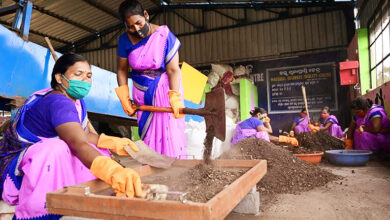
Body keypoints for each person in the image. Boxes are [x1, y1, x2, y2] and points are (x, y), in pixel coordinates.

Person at [0, 54, 142, 220]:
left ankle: (77, 194)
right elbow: (77, 142)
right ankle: (39, 211)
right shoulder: (57, 102)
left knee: (99, 150)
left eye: (88, 76)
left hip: (37, 164)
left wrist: (110, 141)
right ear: (59, 78)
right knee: (57, 149)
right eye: (78, 74)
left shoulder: (76, 102)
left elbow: (82, 134)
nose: (85, 80)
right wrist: (113, 170)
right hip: (17, 170)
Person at [115, 0, 186, 158]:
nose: (136, 29)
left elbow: (173, 70)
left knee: (169, 131)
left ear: (146, 15)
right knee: (147, 133)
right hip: (141, 94)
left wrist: (174, 96)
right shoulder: (124, 40)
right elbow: (121, 69)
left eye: (139, 23)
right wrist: (124, 96)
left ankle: (172, 167)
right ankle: (150, 168)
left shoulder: (164, 36)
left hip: (164, 93)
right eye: (130, 26)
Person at [231, 108, 298, 146]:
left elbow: (269, 132)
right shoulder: (257, 120)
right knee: (263, 134)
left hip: (238, 143)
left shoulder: (251, 120)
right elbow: (268, 133)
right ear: (259, 115)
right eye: (265, 116)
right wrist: (286, 139)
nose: (266, 118)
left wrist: (266, 122)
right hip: (242, 143)